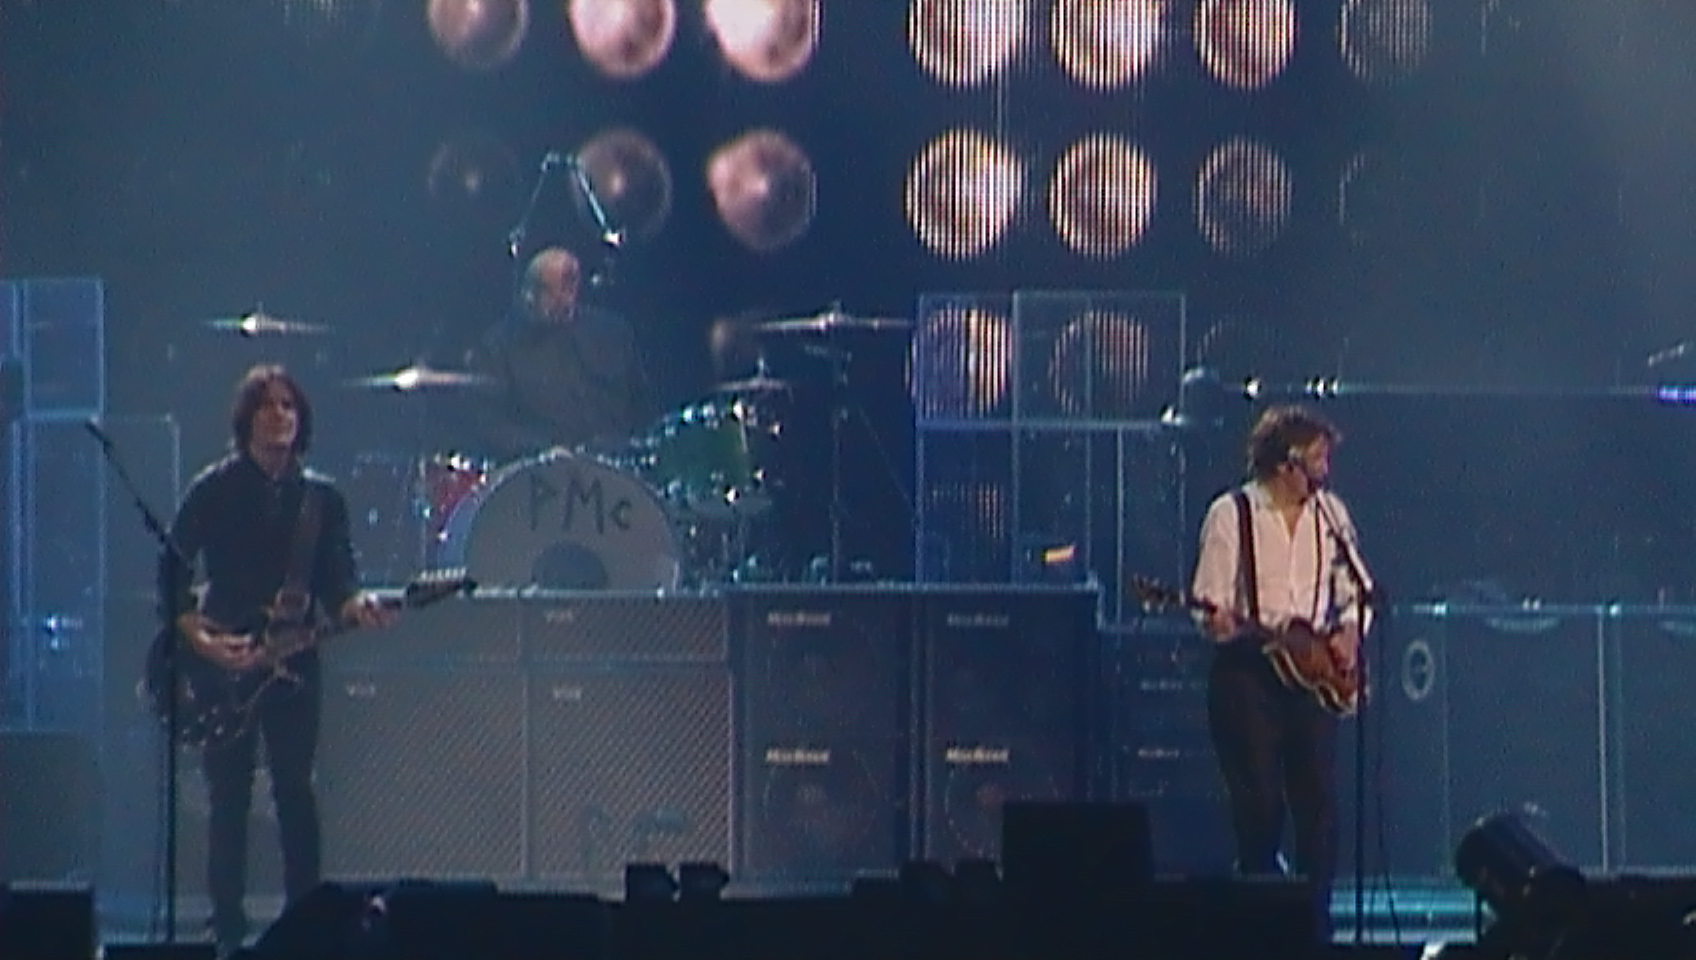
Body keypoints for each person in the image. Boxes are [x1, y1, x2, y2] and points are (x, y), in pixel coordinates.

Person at [158, 364, 396, 956]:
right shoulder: (213, 489)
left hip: (294, 665)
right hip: (225, 666)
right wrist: (199, 635)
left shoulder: (322, 498)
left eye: (289, 406)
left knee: (295, 790)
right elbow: (172, 567)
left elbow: (339, 576)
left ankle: (306, 924)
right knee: (228, 797)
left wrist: (354, 603)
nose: (280, 416)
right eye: (267, 406)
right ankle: (227, 928)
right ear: (246, 420)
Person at [1188, 404, 1374, 941]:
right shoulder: (1232, 514)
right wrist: (1220, 622)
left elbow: (1358, 593)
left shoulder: (1330, 515)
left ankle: (1315, 923)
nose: (1326, 469)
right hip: (1250, 675)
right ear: (1288, 462)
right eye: (1319, 458)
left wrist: (1348, 633)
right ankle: (1262, 925)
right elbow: (1211, 607)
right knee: (1260, 803)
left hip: (1313, 677)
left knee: (1318, 805)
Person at [460, 246, 651, 462]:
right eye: (528, 287)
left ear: (573, 290)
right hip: (542, 475)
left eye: (542, 290)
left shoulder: (612, 333)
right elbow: (488, 424)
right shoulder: (496, 348)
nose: (529, 298)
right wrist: (539, 450)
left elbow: (641, 405)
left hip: (616, 465)